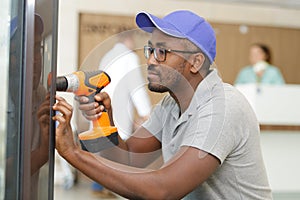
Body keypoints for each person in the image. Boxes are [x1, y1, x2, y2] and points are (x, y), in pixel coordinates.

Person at [53, 10, 272, 199]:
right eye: (150, 50)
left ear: (195, 62)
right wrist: (103, 121)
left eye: (162, 52)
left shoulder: (223, 107)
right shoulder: (170, 105)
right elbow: (129, 158)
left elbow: (163, 191)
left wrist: (73, 154)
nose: (150, 60)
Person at [90, 31, 152, 198]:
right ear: (128, 40)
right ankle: (111, 188)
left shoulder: (107, 56)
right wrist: (147, 113)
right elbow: (136, 88)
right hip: (118, 114)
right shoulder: (129, 58)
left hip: (102, 111)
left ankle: (99, 186)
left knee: (104, 152)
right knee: (118, 155)